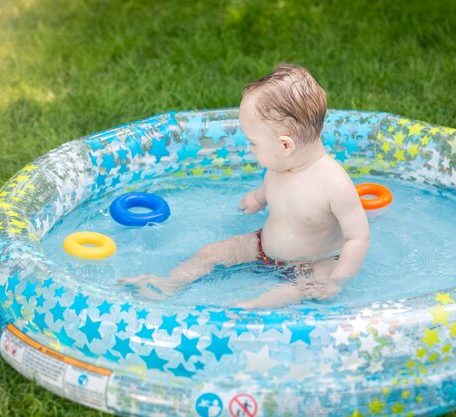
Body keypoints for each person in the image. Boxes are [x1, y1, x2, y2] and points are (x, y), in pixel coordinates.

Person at [120, 64, 370, 309]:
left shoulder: (334, 184)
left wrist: (337, 281)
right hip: (263, 246)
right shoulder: (280, 164)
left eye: (253, 143)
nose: (250, 149)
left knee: (293, 291)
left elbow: (357, 238)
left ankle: (246, 309)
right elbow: (272, 188)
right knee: (211, 253)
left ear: (285, 145)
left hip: (314, 264)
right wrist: (257, 198)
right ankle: (168, 284)